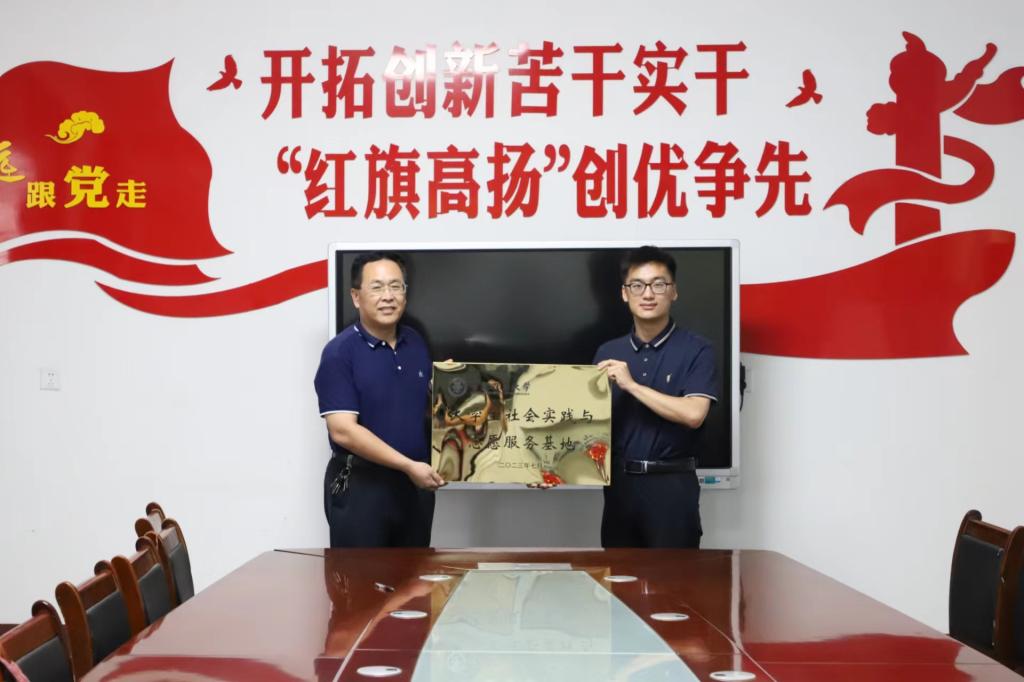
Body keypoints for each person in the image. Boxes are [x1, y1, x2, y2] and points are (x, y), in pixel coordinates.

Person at [314, 252, 444, 548]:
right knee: (361, 577)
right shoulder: (339, 353)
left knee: (415, 574)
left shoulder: (415, 343)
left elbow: (428, 410)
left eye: (396, 286)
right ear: (356, 297)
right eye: (377, 287)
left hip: (415, 487)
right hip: (363, 489)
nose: (388, 296)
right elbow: (343, 431)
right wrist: (408, 465)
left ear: (405, 294)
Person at [593, 246, 717, 548]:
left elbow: (694, 414)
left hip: (672, 486)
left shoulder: (697, 349)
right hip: (619, 487)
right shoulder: (608, 352)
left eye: (658, 284)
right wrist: (550, 469)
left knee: (674, 576)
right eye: (637, 285)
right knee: (618, 574)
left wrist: (632, 386)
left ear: (673, 291)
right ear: (624, 293)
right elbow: (588, 426)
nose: (648, 294)